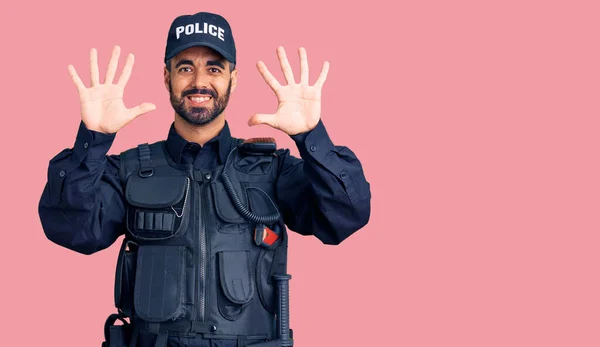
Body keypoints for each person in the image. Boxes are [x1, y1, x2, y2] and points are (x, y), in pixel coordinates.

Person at [38, 11, 371, 347]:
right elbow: (72, 230)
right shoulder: (129, 169)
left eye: (214, 68)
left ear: (233, 78)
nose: (199, 82)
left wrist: (312, 137)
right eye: (185, 67)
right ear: (167, 77)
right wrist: (92, 139)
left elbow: (344, 218)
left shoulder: (272, 168)